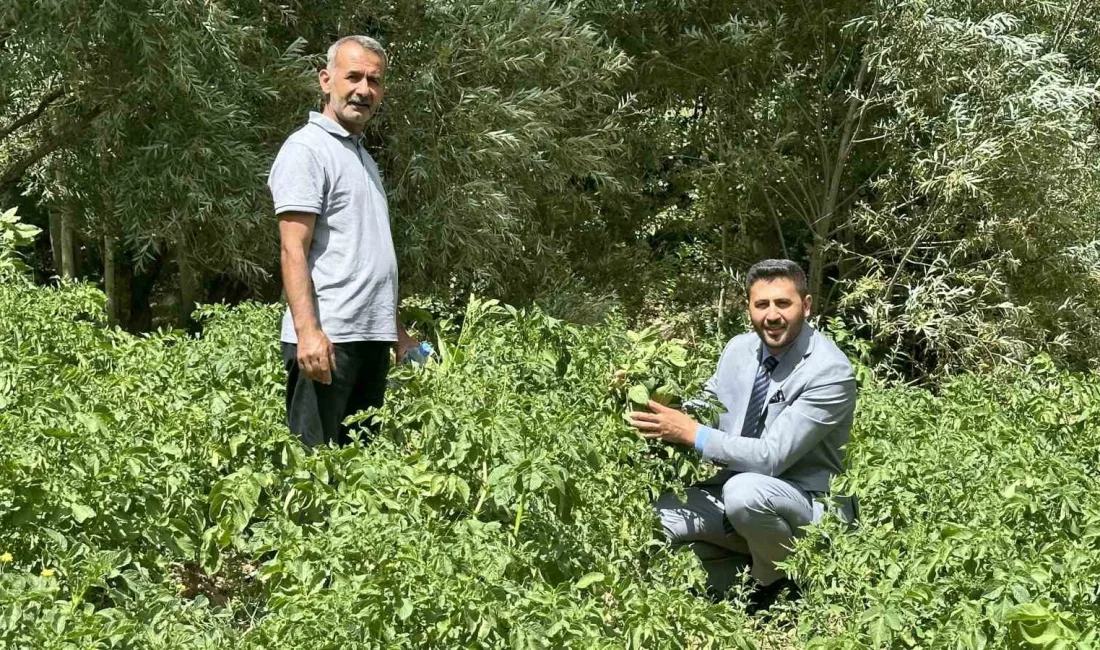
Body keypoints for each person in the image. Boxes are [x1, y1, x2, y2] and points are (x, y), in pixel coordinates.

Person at [629, 259, 857, 612]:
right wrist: (642, 394)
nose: (772, 315)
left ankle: (774, 584)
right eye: (761, 304)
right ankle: (742, 571)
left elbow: (771, 457)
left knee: (745, 492)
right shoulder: (738, 349)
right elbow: (703, 407)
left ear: (806, 306)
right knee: (654, 517)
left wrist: (693, 435)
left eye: (783, 303)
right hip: (731, 495)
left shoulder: (830, 372)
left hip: (804, 503)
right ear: (748, 307)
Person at [267, 35, 417, 448]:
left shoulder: (362, 158)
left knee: (359, 480)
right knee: (313, 476)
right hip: (329, 342)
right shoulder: (307, 150)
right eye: (353, 77)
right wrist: (308, 333)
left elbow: (367, 258)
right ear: (325, 79)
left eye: (374, 81)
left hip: (370, 340)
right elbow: (292, 248)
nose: (363, 90)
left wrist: (397, 333)